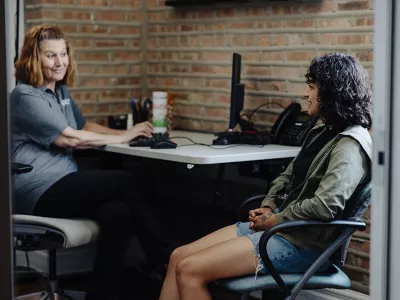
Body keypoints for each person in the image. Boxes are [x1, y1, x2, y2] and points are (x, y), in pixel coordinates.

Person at [158, 52, 373, 300]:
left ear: (333, 93)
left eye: (312, 87)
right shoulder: (322, 129)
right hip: (281, 229)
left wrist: (274, 220)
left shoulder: (349, 146)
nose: (306, 94)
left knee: (190, 270)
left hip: (303, 245)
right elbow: (287, 175)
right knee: (178, 258)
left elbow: (324, 207)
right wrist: (269, 205)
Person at [11, 24, 175, 300]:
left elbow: (84, 124)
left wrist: (132, 135)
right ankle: (164, 257)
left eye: (63, 54)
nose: (60, 62)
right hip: (37, 190)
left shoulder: (60, 93)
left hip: (63, 183)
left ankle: (102, 294)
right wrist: (126, 136)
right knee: (126, 181)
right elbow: (70, 139)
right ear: (33, 58)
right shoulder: (25, 95)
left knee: (118, 213)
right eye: (51, 55)